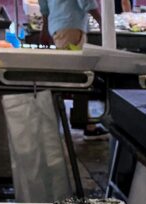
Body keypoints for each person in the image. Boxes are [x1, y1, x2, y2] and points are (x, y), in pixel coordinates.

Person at [38, 0, 106, 133]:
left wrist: (45, 29)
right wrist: (101, 21)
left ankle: (82, 120)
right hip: (71, 27)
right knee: (80, 77)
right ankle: (85, 124)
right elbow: (85, 2)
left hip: (58, 28)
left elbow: (44, 6)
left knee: (74, 75)